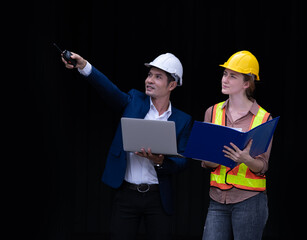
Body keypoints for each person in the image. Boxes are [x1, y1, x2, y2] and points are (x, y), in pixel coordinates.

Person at [61, 52, 193, 240]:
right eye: (149, 75)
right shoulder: (133, 100)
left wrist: (160, 161)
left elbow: (183, 162)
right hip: (127, 195)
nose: (150, 80)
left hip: (158, 198)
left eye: (158, 77)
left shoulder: (183, 120)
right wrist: (84, 66)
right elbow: (108, 89)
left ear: (172, 85)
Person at [201, 51, 272, 240]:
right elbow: (206, 162)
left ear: (247, 83)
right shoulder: (213, 112)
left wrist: (246, 160)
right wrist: (210, 158)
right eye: (225, 74)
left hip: (249, 201)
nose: (225, 79)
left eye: (233, 75)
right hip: (217, 199)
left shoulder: (263, 118)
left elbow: (262, 166)